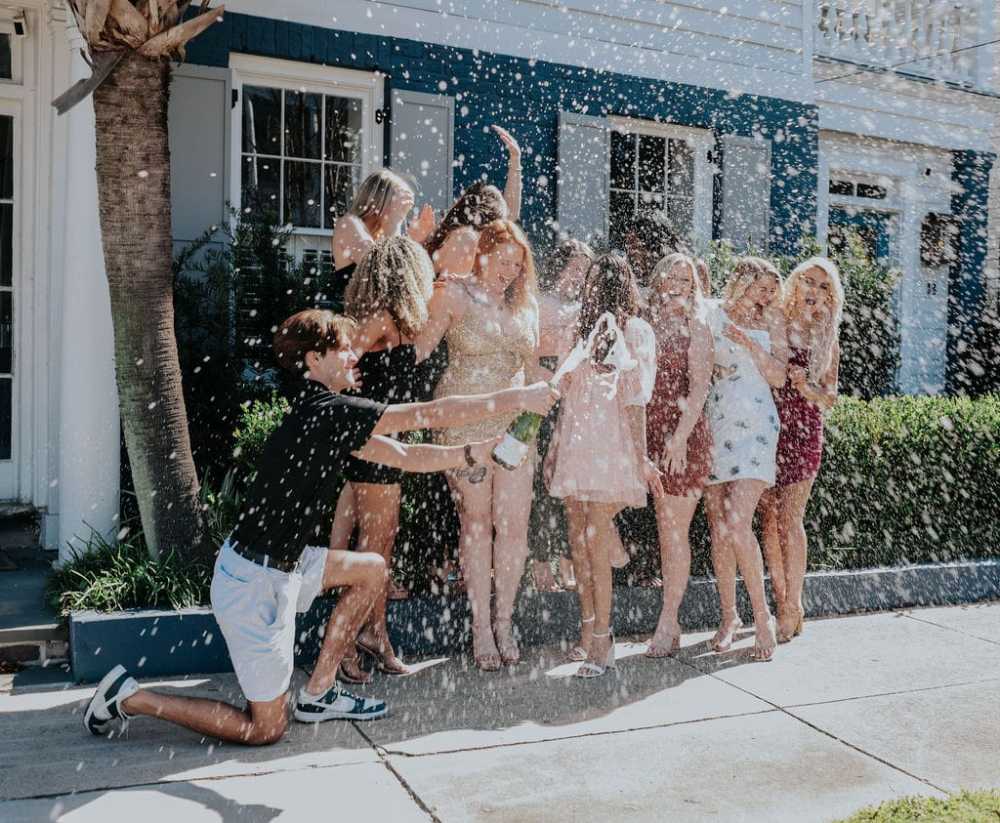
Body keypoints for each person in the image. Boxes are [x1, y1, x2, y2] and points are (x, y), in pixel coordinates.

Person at [83, 309, 557, 745]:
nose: (356, 355)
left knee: (371, 569)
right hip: (254, 584)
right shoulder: (326, 411)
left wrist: (474, 452)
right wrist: (517, 397)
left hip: (287, 566)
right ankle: (130, 697)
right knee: (263, 728)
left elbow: (405, 456)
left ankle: (320, 691)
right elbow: (423, 415)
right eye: (345, 348)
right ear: (315, 359)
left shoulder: (326, 414)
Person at [415, 220, 541, 671]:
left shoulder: (526, 306)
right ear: (482, 252)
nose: (510, 270)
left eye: (517, 264)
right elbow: (419, 350)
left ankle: (504, 620)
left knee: (514, 526)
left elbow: (532, 369)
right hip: (465, 424)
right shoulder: (453, 293)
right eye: (504, 259)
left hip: (516, 430)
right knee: (476, 521)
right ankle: (479, 626)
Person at [546, 253, 663, 678]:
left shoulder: (636, 332)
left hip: (609, 447)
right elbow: (566, 397)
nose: (599, 288)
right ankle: (587, 627)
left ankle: (602, 640)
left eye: (606, 280)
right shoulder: (577, 330)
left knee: (593, 539)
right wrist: (555, 447)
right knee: (579, 538)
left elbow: (637, 402)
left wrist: (642, 456)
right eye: (598, 279)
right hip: (578, 443)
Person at [328, 236, 435, 682]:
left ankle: (376, 633)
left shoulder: (395, 318)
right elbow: (339, 370)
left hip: (384, 445)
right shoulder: (374, 319)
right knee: (373, 551)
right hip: (372, 449)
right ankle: (345, 645)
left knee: (380, 548)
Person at [704, 257, 788, 663]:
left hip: (756, 424)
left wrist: (751, 342)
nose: (767, 295)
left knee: (738, 523)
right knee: (720, 528)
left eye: (771, 289)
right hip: (717, 423)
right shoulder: (712, 313)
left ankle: (762, 615)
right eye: (761, 287)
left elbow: (778, 377)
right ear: (742, 281)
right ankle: (728, 616)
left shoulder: (771, 321)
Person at [759, 257, 843, 643]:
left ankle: (793, 603)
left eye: (823, 286)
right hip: (767, 427)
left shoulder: (827, 336)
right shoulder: (775, 318)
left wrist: (807, 387)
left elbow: (830, 398)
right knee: (769, 520)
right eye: (809, 281)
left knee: (791, 518)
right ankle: (779, 597)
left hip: (805, 431)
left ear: (831, 295)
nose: (814, 290)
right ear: (796, 281)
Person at [643, 253, 715, 658]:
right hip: (648, 432)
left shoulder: (697, 325)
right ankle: (669, 622)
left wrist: (680, 437)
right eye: (671, 275)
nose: (677, 282)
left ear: (694, 285)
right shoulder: (647, 321)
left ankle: (669, 620)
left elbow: (701, 386)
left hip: (682, 438)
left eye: (686, 278)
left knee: (674, 533)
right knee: (661, 529)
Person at [530, 238, 595, 592]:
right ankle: (541, 564)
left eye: (585, 271)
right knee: (543, 485)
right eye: (575, 267)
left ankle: (569, 562)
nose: (580, 276)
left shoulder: (586, 306)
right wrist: (562, 343)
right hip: (546, 398)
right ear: (559, 266)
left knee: (571, 486)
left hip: (577, 403)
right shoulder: (540, 303)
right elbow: (533, 347)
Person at [331, 169, 435, 304]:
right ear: (380, 200)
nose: (403, 212)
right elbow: (379, 268)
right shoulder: (349, 224)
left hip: (379, 320)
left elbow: (403, 282)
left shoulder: (386, 236)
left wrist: (414, 241)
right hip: (354, 321)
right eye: (399, 203)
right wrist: (394, 222)